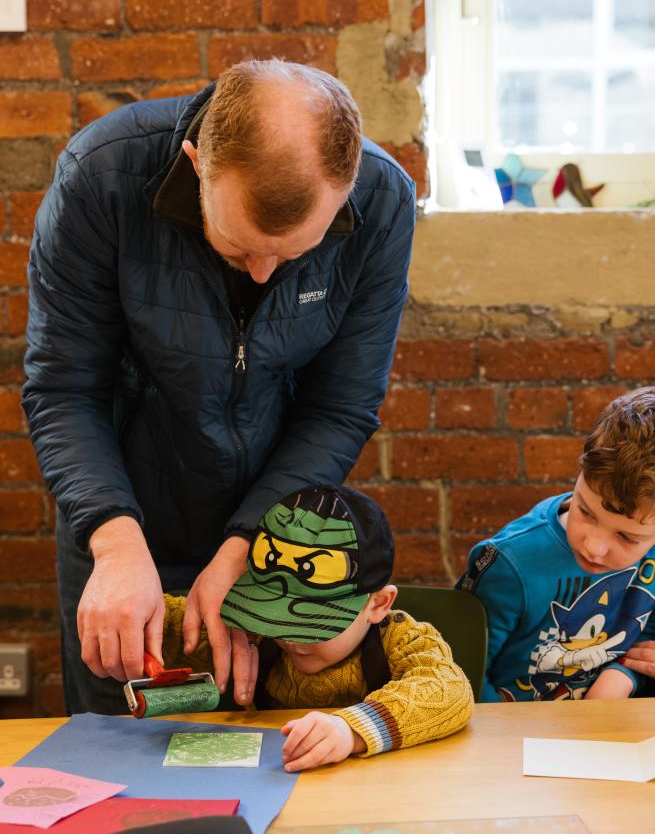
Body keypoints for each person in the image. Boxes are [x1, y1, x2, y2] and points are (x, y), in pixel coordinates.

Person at [22, 60, 416, 715]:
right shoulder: (103, 174)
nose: (263, 273)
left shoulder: (381, 199)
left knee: (262, 761)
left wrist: (249, 542)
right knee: (119, 765)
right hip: (118, 526)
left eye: (292, 255)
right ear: (195, 163)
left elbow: (338, 407)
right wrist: (116, 546)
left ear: (343, 193)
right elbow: (65, 388)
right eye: (238, 247)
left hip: (274, 535)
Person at [162, 485, 474, 771]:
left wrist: (350, 730)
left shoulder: (400, 638)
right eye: (275, 613)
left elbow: (449, 690)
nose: (289, 637)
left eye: (312, 624)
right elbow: (169, 624)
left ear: (378, 604)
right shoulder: (253, 631)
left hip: (371, 792)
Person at [456, 387, 655, 702]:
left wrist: (622, 676)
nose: (594, 547)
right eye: (586, 512)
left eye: (626, 537)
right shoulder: (510, 562)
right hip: (506, 739)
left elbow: (647, 634)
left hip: (607, 735)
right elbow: (459, 671)